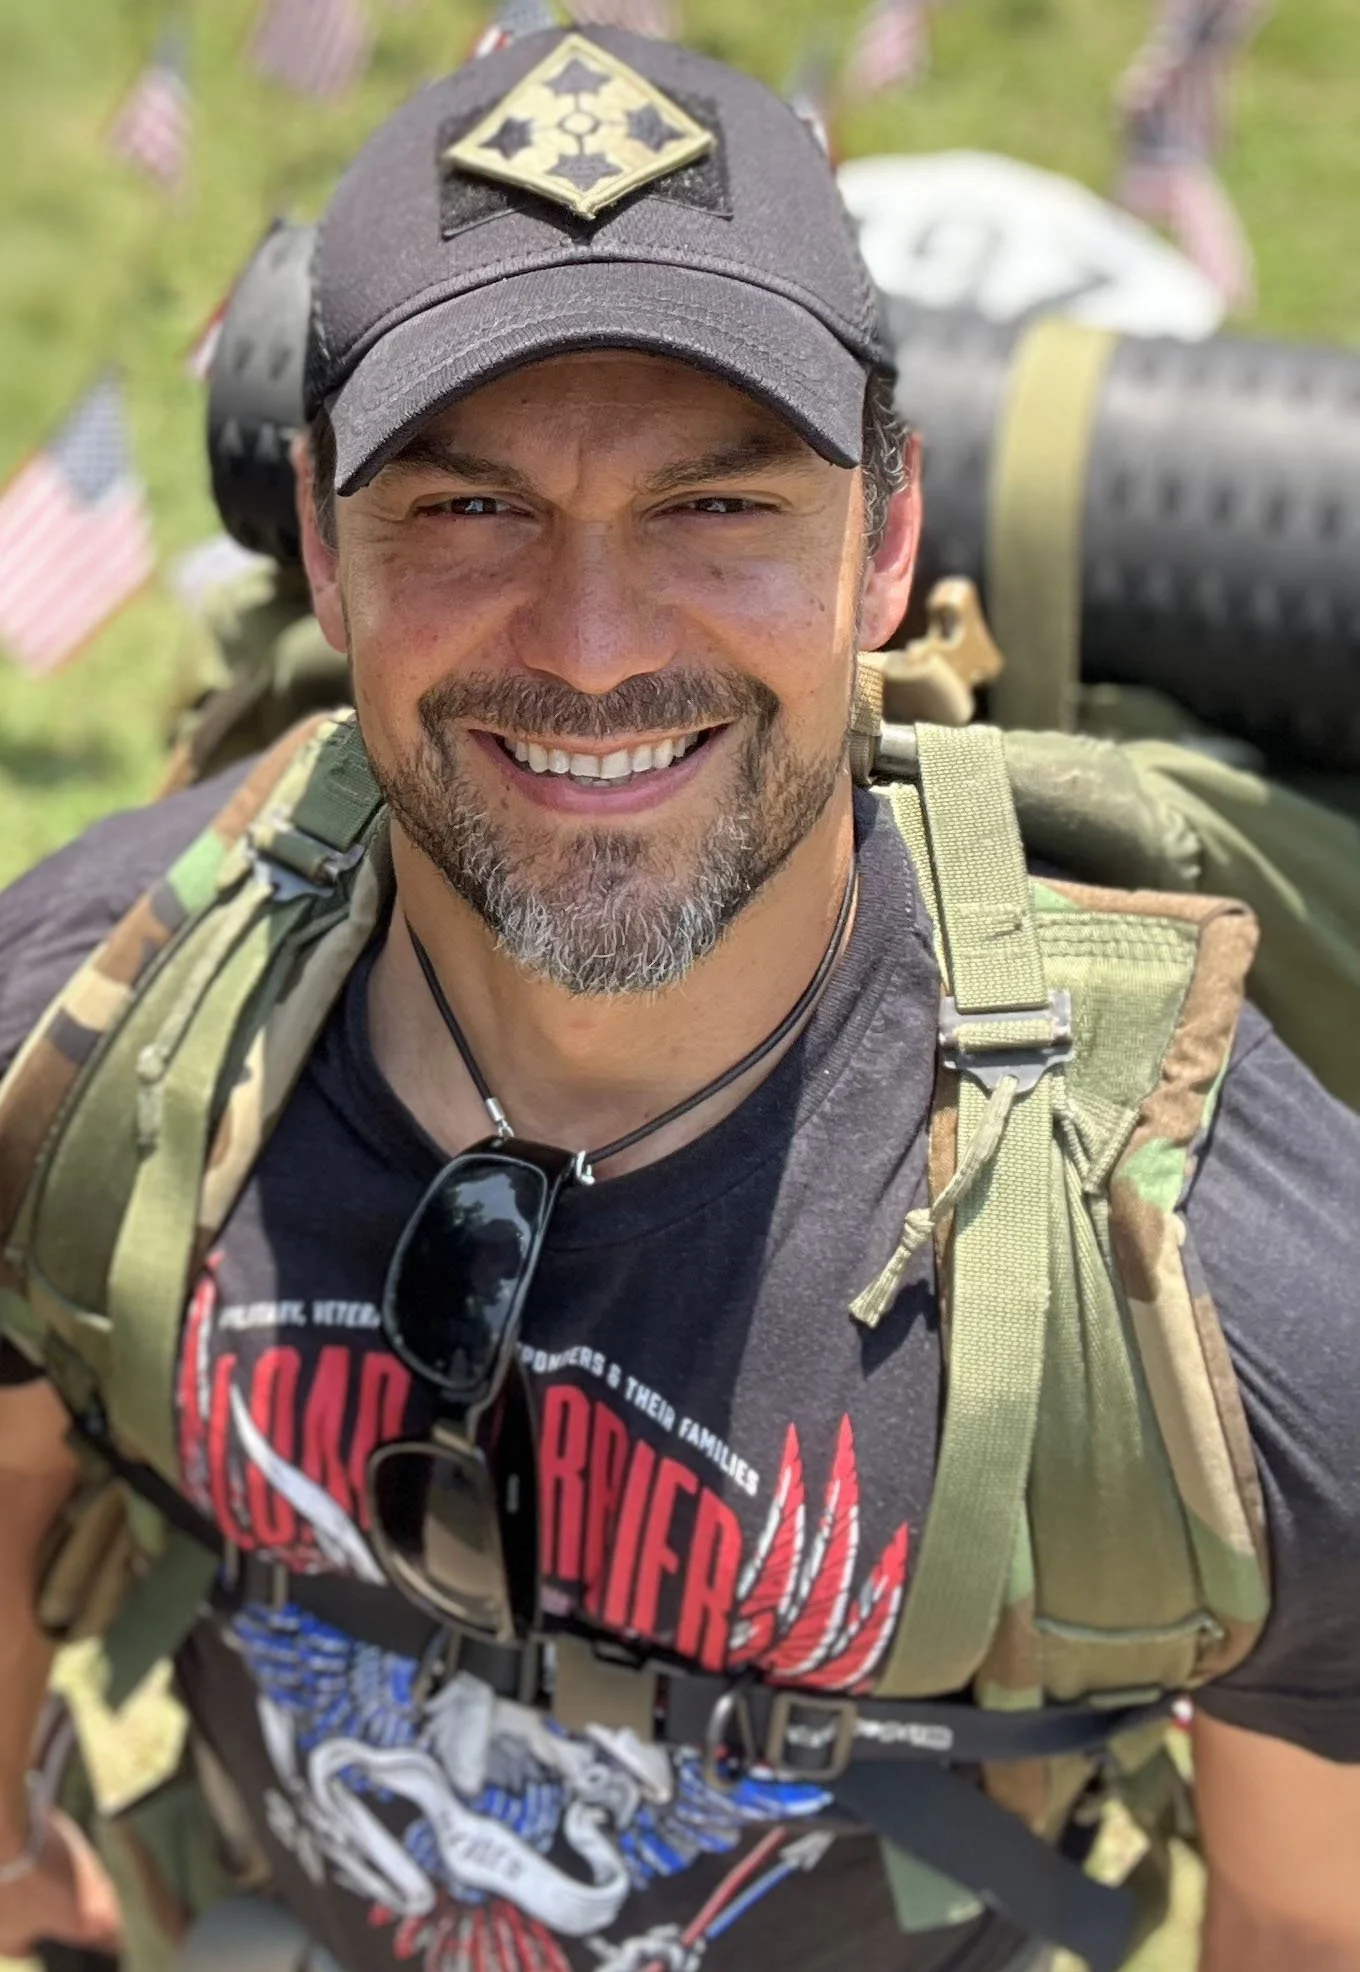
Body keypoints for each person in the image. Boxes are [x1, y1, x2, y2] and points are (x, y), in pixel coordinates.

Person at [0, 26, 1357, 1972]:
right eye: (467, 512)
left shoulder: (1222, 1309)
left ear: (882, 540)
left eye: (716, 508)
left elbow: (1303, 1917)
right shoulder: (94, 1032)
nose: (590, 645)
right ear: (318, 538)